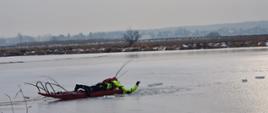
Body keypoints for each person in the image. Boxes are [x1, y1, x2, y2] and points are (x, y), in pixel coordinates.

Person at [74, 77, 140, 95]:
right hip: (102, 87)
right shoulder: (117, 83)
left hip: (100, 85)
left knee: (91, 88)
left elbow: (103, 81)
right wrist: (136, 85)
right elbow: (128, 91)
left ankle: (80, 87)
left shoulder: (109, 80)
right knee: (90, 89)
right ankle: (79, 86)